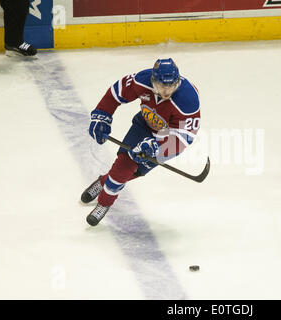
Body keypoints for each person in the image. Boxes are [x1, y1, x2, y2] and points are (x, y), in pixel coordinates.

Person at [81, 58, 201, 226]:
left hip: (167, 138)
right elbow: (116, 93)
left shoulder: (188, 99)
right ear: (153, 81)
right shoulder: (142, 80)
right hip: (144, 125)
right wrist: (102, 115)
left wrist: (157, 147)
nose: (166, 91)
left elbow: (184, 136)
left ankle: (104, 182)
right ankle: (104, 203)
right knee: (124, 165)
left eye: (170, 86)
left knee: (135, 172)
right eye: (161, 86)